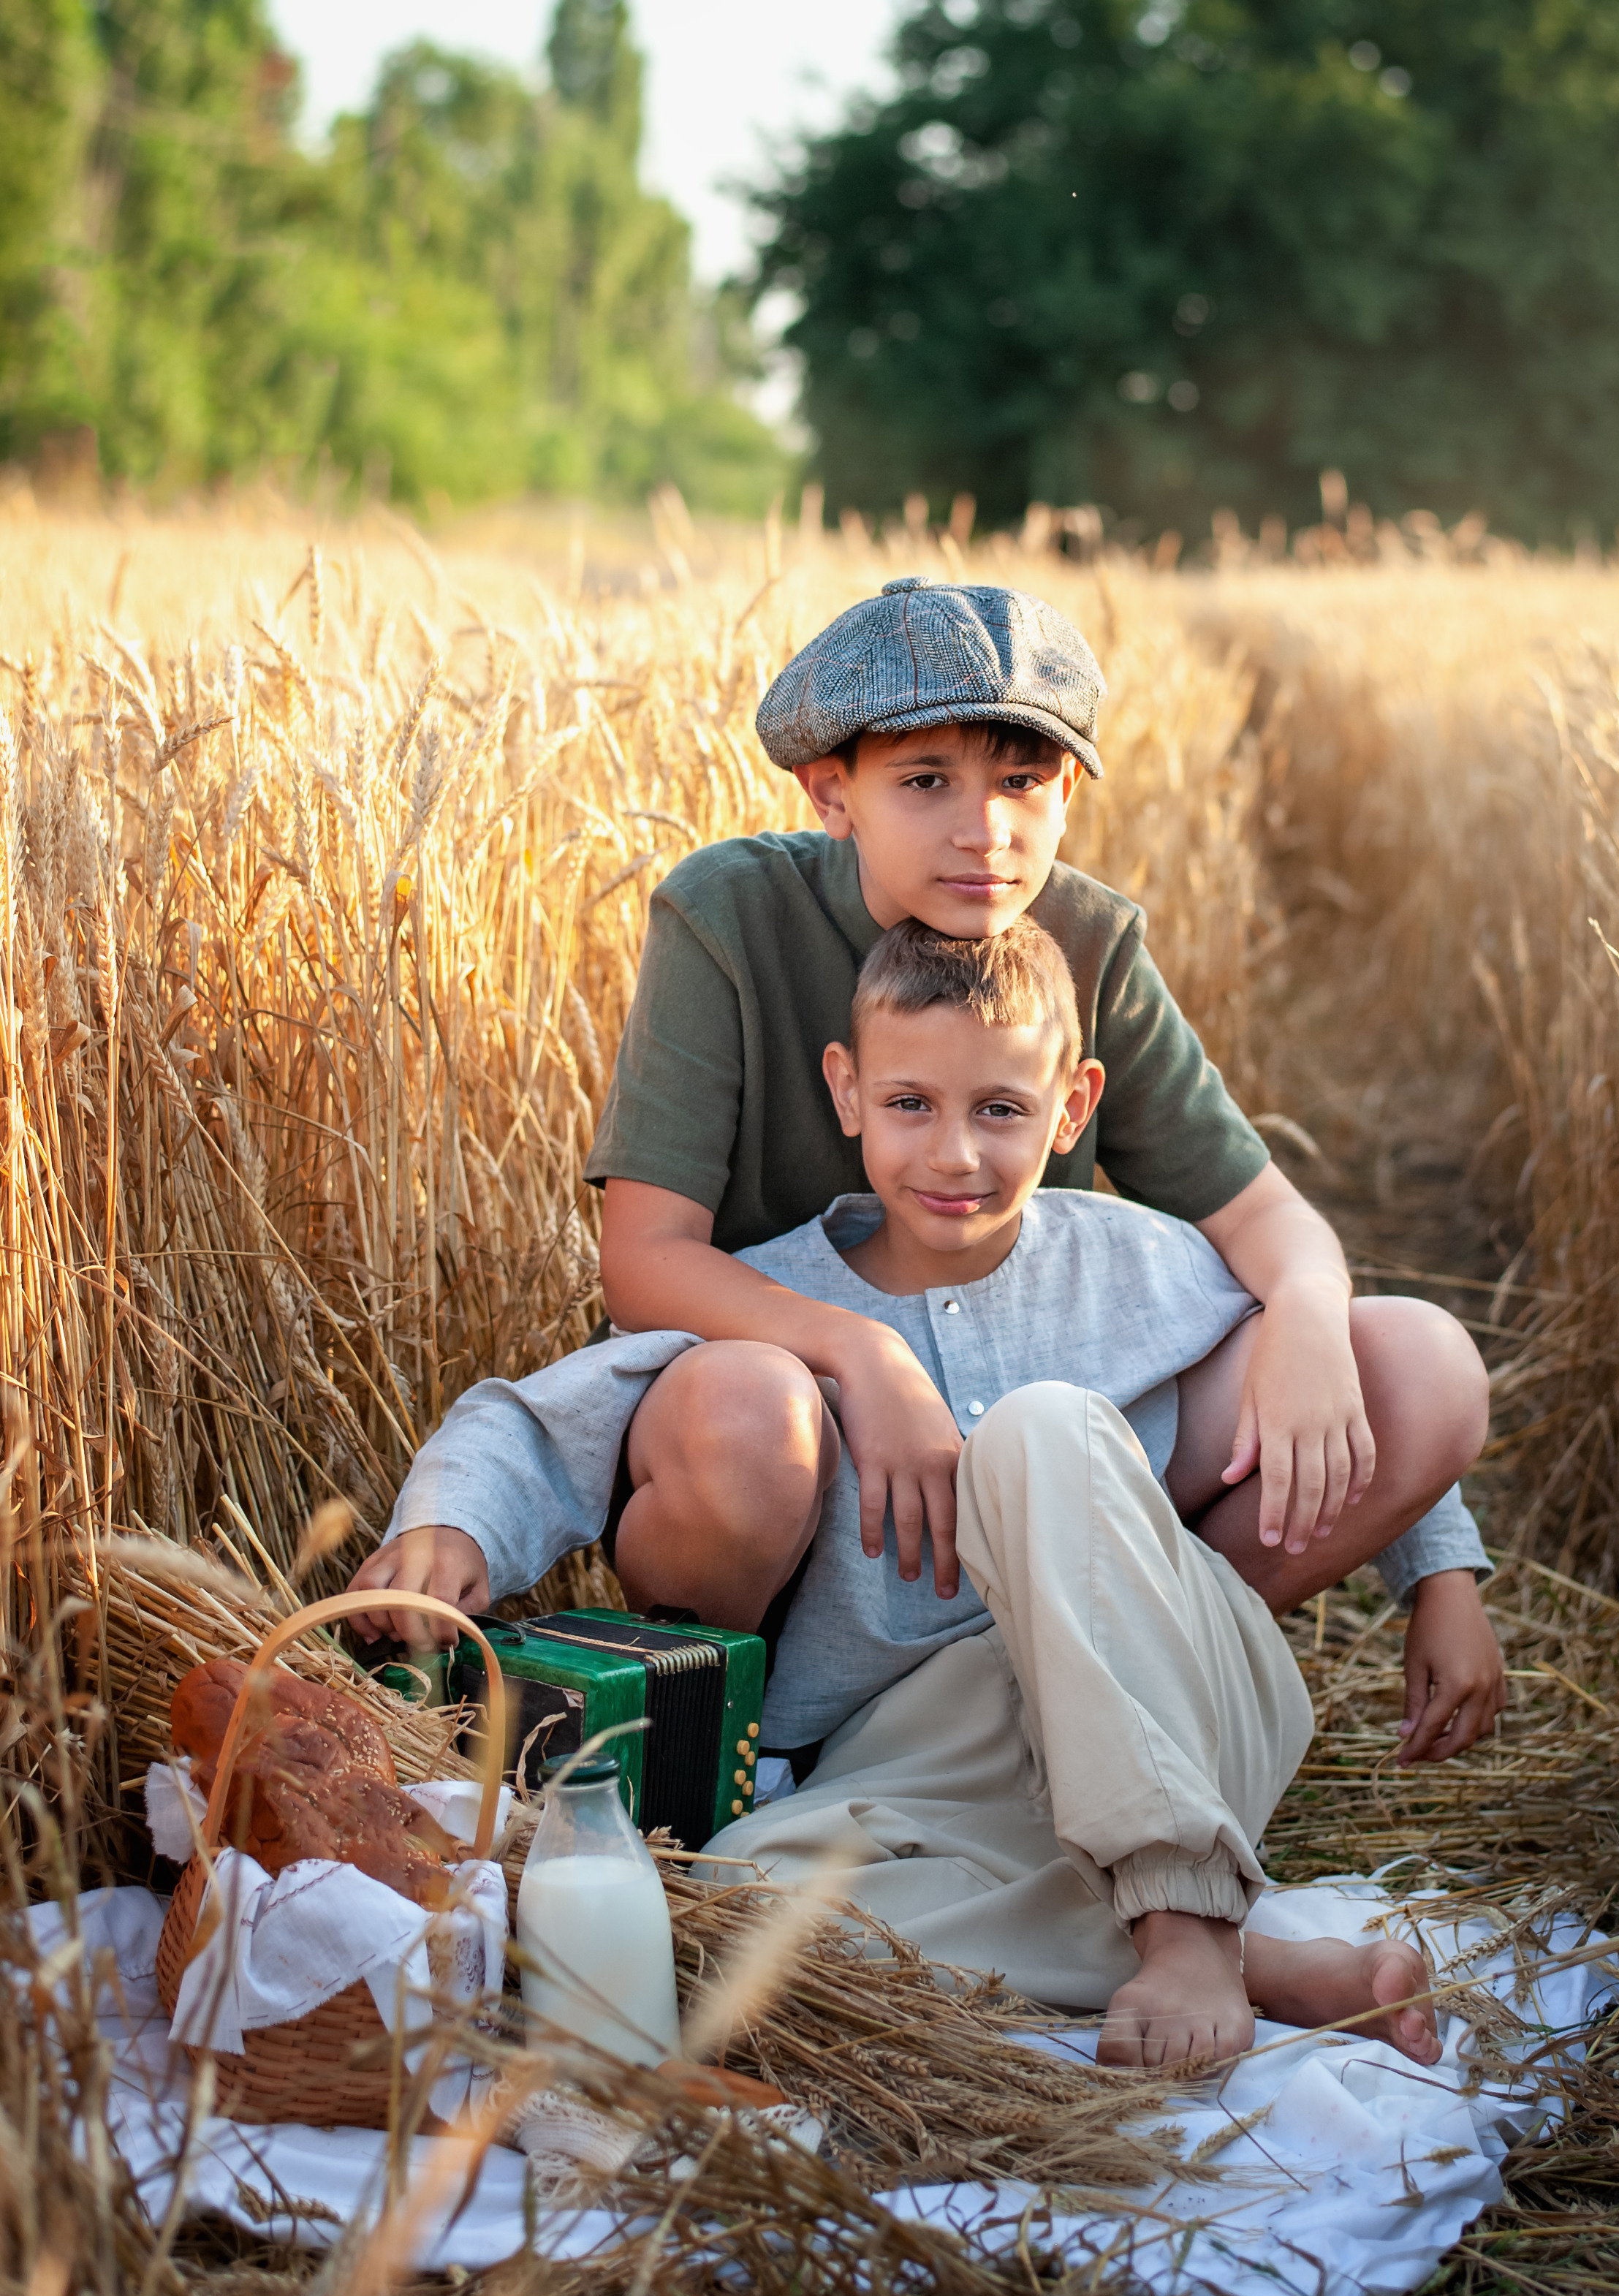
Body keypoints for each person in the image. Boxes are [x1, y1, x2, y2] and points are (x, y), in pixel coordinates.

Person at [351, 574, 1504, 1768]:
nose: (983, 831)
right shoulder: (731, 918)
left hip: (1032, 1437)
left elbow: (1263, 1228)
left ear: (1065, 791)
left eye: (1019, 783)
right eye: (925, 782)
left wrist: (1431, 1545)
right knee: (759, 1418)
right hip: (796, 1452)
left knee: (1415, 1362)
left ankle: (1110, 1706)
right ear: (831, 792)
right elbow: (643, 1265)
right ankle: (734, 1737)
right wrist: (864, 1354)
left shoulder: (1085, 942)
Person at [356, 917, 1465, 2066]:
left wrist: (1441, 1569)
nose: (953, 1156)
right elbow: (544, 1414)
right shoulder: (774, 1292)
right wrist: (444, 1521)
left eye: (999, 1110)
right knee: (735, 1910)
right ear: (846, 1092)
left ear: (1073, 1107)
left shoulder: (1144, 1264)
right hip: (931, 1757)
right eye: (909, 1106)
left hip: (1168, 1699)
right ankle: (1234, 1959)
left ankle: (1182, 1918)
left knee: (1040, 1430)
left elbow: (1322, 1396)